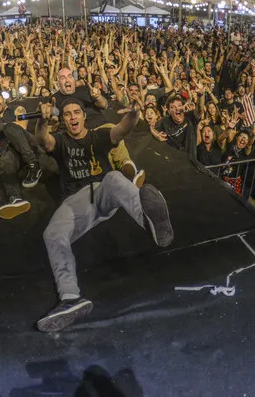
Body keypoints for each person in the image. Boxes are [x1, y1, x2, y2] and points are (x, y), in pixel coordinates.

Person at [33, 96, 174, 332]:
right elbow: (43, 140)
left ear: (84, 116)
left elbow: (121, 131)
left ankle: (151, 221)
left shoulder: (97, 136)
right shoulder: (61, 142)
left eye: (76, 112)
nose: (72, 117)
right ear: (64, 120)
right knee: (52, 234)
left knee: (113, 177)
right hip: (76, 203)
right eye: (67, 114)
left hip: (102, 193)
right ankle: (70, 298)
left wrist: (134, 113)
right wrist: (42, 121)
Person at [0, 90, 43, 220]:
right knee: (5, 160)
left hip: (27, 146)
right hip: (11, 152)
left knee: (10, 127)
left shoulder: (17, 108)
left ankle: (33, 164)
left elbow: (21, 127)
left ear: (3, 98)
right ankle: (15, 199)